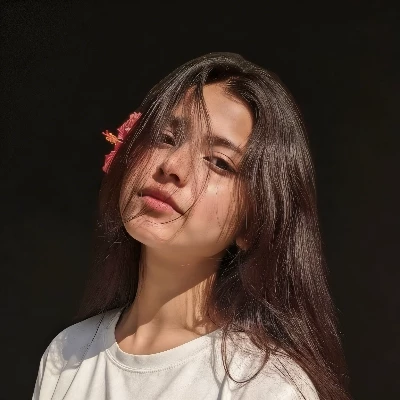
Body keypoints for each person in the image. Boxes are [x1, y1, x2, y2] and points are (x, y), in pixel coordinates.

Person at [32, 52, 352, 400]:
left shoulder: (267, 387)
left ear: (253, 224)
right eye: (165, 137)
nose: (172, 165)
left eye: (219, 162)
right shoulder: (68, 354)